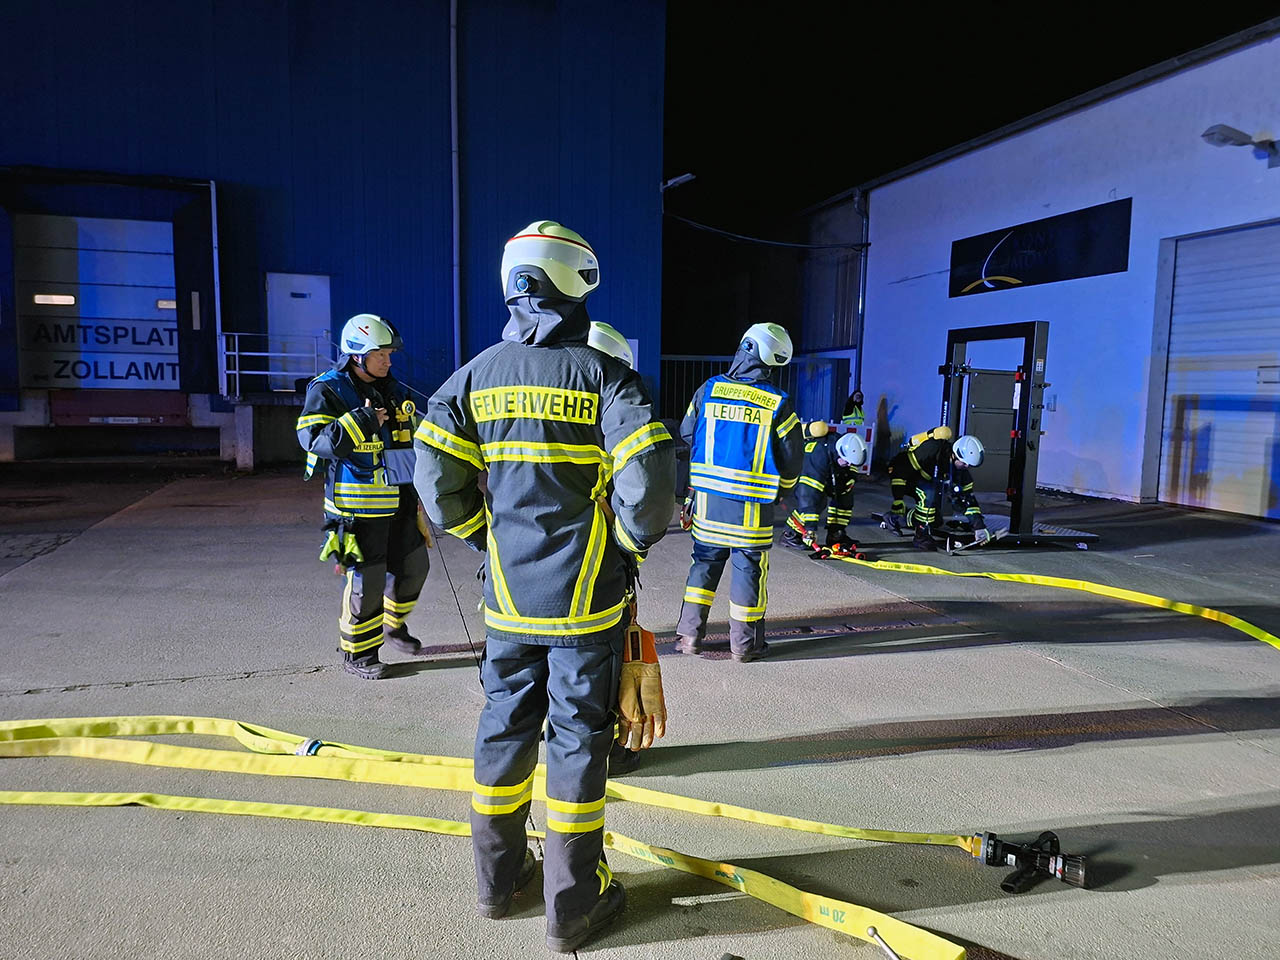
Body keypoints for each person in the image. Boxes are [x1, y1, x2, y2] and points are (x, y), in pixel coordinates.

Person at [413, 221, 675, 953]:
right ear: (574, 280)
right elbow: (651, 493)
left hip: (507, 600)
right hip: (586, 602)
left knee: (502, 731)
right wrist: (624, 543)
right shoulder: (604, 376)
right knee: (576, 745)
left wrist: (482, 537)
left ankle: (499, 887)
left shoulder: (474, 375)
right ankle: (574, 907)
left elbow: (436, 479)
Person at [295, 313, 429, 680]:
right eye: (380, 354)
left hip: (400, 500)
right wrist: (361, 421)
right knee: (365, 583)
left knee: (415, 568)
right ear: (357, 355)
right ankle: (359, 655)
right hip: (357, 508)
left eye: (389, 354)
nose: (388, 360)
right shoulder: (329, 389)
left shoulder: (395, 389)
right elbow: (314, 441)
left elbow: (415, 437)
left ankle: (391, 625)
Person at [675, 323, 804, 662]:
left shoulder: (709, 389)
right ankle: (744, 645)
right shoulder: (777, 402)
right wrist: (783, 490)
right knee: (747, 570)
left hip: (706, 501)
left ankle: (689, 636)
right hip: (752, 507)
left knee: (703, 563)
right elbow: (792, 460)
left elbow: (688, 432)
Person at [887, 426, 988, 551]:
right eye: (964, 463)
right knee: (929, 494)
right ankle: (921, 537)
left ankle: (895, 519)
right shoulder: (932, 449)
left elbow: (968, 501)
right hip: (904, 474)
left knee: (935, 521)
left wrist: (979, 527)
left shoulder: (962, 472)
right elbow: (903, 468)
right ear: (955, 455)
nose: (966, 467)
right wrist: (898, 499)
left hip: (925, 479)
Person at [781, 424, 867, 555]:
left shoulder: (844, 451)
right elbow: (808, 496)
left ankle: (836, 535)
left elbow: (851, 466)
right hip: (801, 474)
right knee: (817, 502)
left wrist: (851, 478)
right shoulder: (818, 455)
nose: (849, 465)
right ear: (840, 452)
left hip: (826, 471)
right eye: (848, 462)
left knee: (844, 495)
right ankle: (790, 534)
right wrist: (810, 529)